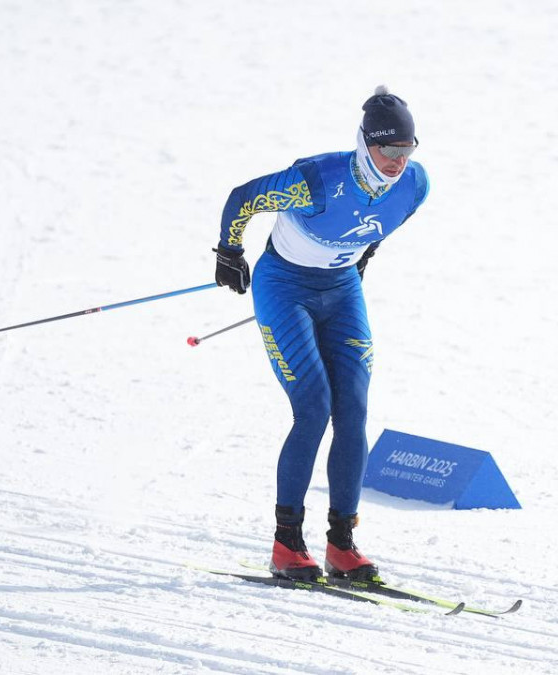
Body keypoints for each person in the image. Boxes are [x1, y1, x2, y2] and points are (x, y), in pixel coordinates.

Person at [212, 86, 429, 582]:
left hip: (341, 289)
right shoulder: (317, 180)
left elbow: (385, 221)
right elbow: (243, 198)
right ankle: (287, 542)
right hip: (285, 288)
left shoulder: (416, 184)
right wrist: (229, 253)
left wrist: (361, 255)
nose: (397, 160)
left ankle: (342, 544)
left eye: (406, 150)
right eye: (387, 149)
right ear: (364, 144)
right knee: (313, 408)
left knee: (352, 409)